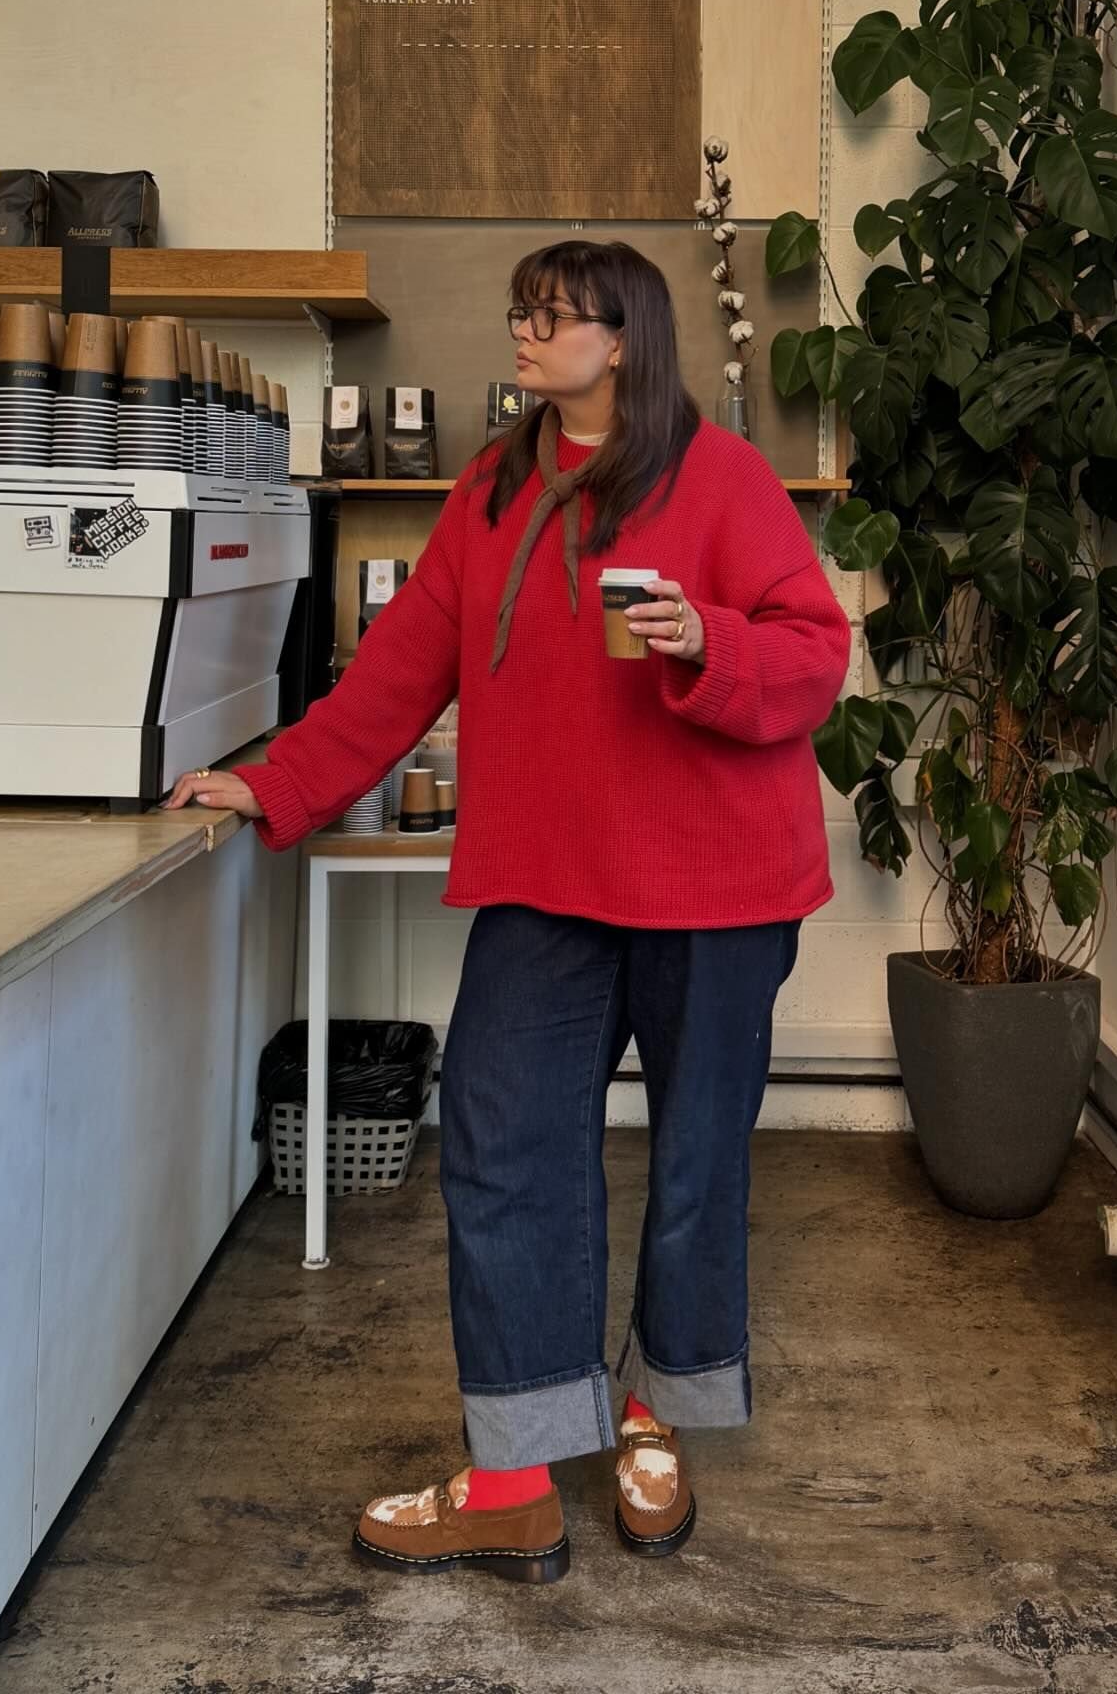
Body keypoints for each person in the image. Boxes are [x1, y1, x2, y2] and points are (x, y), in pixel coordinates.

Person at [168, 239, 851, 1585]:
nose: (526, 339)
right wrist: (274, 782)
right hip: (548, 881)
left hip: (719, 887)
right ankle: (516, 1474)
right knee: (498, 1147)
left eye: (554, 320)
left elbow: (813, 653)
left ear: (625, 342)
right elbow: (400, 669)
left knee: (696, 1159)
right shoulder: (488, 487)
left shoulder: (723, 481)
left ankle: (658, 1413)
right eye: (522, 317)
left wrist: (708, 640)